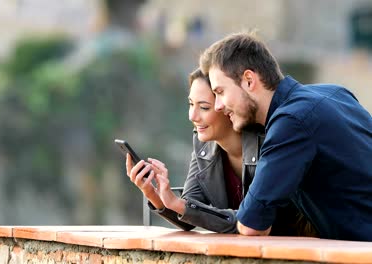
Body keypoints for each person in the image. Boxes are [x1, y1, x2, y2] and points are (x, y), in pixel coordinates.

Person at [199, 31, 372, 241]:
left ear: (248, 80)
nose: (218, 106)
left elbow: (251, 224)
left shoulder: (291, 122)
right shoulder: (335, 93)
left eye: (220, 92)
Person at [125, 68, 307, 235]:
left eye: (204, 107)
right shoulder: (203, 145)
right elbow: (190, 215)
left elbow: (252, 222)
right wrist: (153, 193)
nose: (192, 116)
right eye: (190, 104)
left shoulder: (270, 141)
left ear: (226, 106)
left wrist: (180, 204)